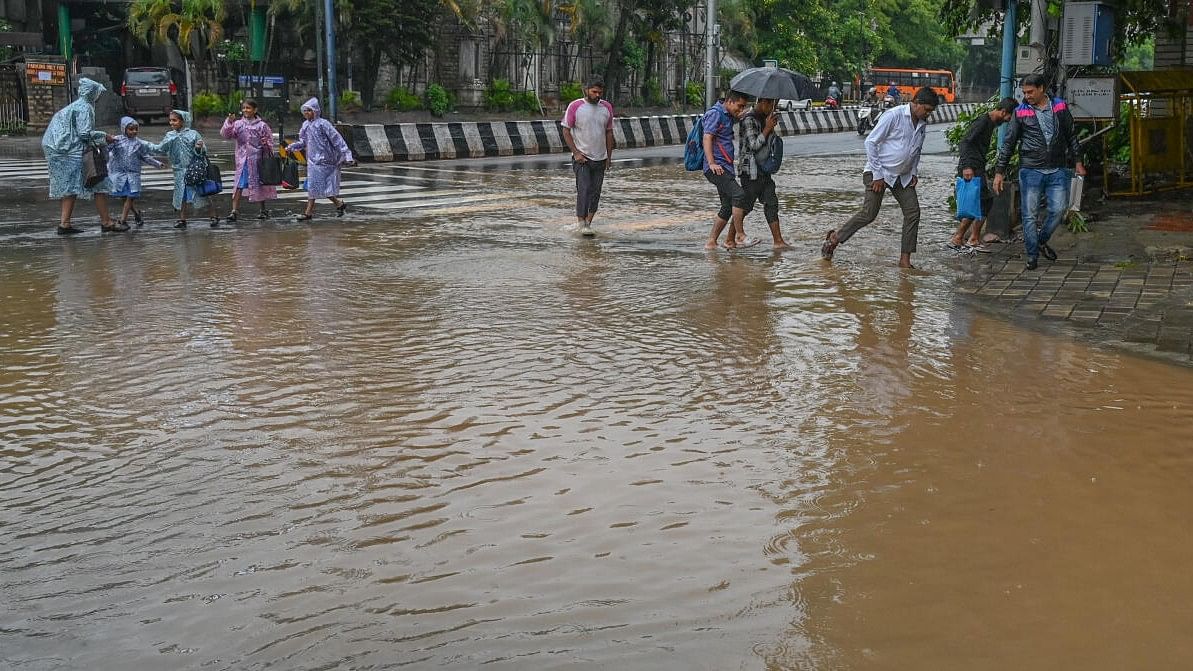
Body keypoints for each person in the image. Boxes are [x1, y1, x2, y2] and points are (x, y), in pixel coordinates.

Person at [821, 87, 939, 268]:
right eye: (927, 110)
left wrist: (913, 172)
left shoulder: (922, 123)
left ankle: (905, 260)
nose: (929, 115)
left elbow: (917, 149)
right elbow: (870, 142)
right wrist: (877, 175)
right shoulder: (894, 116)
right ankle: (835, 238)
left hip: (903, 176)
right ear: (916, 104)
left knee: (913, 212)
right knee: (869, 214)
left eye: (931, 112)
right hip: (879, 171)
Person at [993, 74, 1087, 270]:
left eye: (1030, 92)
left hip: (1057, 169)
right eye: (1024, 93)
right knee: (1029, 215)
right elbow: (1009, 143)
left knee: (1059, 210)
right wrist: (999, 171)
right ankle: (1032, 255)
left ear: (1042, 88)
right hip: (1030, 170)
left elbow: (1071, 136)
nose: (1027, 96)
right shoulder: (1020, 113)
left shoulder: (1060, 107)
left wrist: (1078, 161)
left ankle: (1041, 240)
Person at [41, 77, 118, 235]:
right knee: (97, 183)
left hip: (59, 149)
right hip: (68, 150)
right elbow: (84, 133)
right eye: (97, 93)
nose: (98, 96)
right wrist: (105, 136)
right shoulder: (85, 107)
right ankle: (106, 222)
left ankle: (65, 223)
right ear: (92, 93)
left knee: (70, 187)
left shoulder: (76, 106)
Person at [948, 97, 1017, 253]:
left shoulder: (990, 123)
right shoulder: (982, 122)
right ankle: (966, 238)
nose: (1007, 121)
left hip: (976, 166)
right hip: (970, 167)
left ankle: (963, 237)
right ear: (1004, 111)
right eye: (1008, 117)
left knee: (980, 202)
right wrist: (967, 167)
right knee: (983, 202)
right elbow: (965, 142)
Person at [702, 90, 758, 250]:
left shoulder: (727, 115)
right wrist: (711, 163)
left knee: (727, 207)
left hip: (725, 167)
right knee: (739, 195)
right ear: (729, 101)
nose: (740, 110)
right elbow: (707, 137)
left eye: (743, 107)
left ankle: (711, 242)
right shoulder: (715, 114)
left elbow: (732, 122)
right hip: (716, 168)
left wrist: (742, 114)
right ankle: (740, 236)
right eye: (739, 106)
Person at [560, 76, 615, 236]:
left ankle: (588, 223)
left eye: (600, 92)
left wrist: (609, 158)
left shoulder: (607, 108)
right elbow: (565, 130)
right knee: (584, 189)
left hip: (601, 158)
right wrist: (576, 153)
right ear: (586, 90)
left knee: (596, 192)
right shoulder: (575, 106)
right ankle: (581, 223)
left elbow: (609, 132)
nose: (598, 95)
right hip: (582, 158)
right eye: (594, 91)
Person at [287, 97, 356, 221]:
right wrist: (291, 147)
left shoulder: (323, 124)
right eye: (305, 111)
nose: (307, 113)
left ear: (315, 111)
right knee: (316, 186)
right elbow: (303, 141)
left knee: (316, 186)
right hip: (313, 161)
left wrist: (347, 155)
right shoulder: (305, 125)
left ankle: (309, 213)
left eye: (309, 110)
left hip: (326, 161)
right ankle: (338, 204)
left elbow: (337, 140)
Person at [149, 110, 219, 229]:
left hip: (194, 170)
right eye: (170, 120)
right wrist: (145, 145)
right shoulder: (170, 136)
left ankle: (213, 216)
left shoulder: (193, 134)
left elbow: (203, 151)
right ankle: (182, 219)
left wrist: (198, 148)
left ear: (183, 121)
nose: (172, 123)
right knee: (181, 195)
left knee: (202, 193)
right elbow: (160, 148)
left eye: (175, 120)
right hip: (178, 171)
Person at [737, 97, 791, 249]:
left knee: (771, 203)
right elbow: (754, 145)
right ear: (763, 102)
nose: (772, 107)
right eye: (771, 104)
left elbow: (768, 143)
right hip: (750, 171)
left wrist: (770, 127)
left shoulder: (764, 118)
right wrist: (767, 128)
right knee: (745, 207)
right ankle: (731, 238)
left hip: (764, 171)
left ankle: (778, 241)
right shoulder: (748, 120)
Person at [221, 99, 279, 222]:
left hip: (257, 160)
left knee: (259, 184)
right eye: (244, 108)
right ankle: (234, 211)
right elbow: (227, 134)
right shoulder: (238, 124)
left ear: (255, 110)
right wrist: (229, 122)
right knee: (238, 185)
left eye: (248, 108)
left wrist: (265, 144)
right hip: (242, 161)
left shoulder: (262, 125)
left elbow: (269, 141)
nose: (245, 110)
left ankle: (263, 209)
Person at [107, 116, 164, 229]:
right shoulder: (116, 140)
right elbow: (107, 150)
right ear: (124, 129)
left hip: (133, 175)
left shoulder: (139, 144)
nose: (134, 132)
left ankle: (122, 220)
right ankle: (137, 214)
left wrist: (157, 163)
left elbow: (145, 156)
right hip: (120, 175)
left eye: (136, 129)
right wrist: (107, 141)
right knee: (124, 198)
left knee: (130, 197)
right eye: (131, 129)